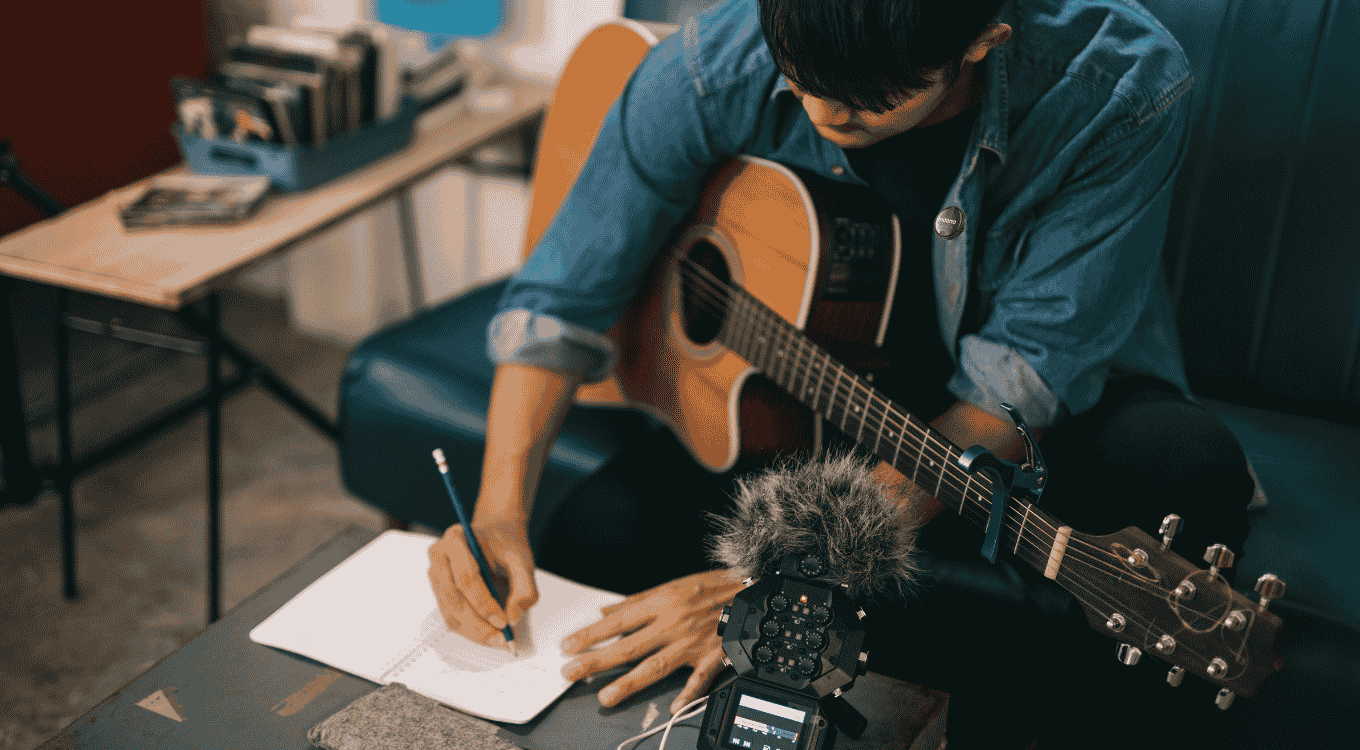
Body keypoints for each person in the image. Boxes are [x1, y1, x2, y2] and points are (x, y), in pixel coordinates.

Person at [427, 0, 1255, 747]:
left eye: (866, 99)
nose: (824, 112)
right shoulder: (723, 58)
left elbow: (1014, 392)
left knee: (1180, 464)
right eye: (802, 77)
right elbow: (560, 300)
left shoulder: (1115, 84)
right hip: (809, 410)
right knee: (587, 544)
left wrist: (773, 583)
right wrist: (501, 510)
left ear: (982, 41)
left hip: (1010, 419)